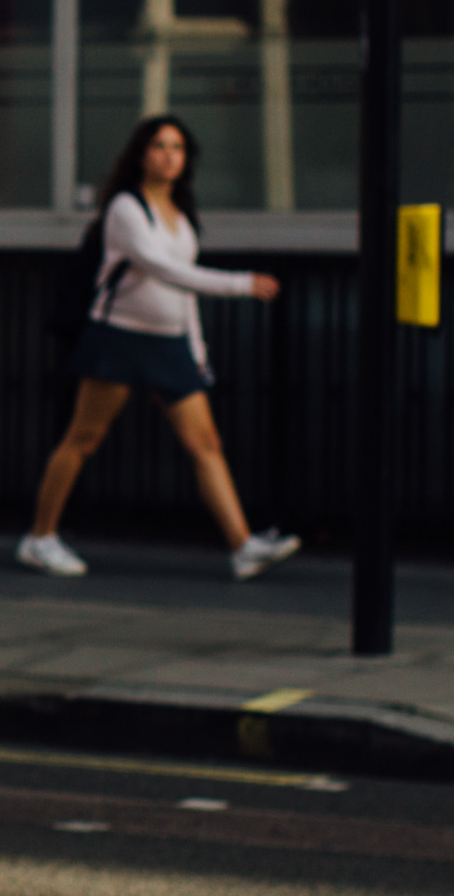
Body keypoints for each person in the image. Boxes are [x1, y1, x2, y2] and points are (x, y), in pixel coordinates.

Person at [18, 114, 301, 582]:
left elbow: (182, 293)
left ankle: (243, 546)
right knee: (83, 438)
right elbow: (160, 268)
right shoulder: (126, 209)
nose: (169, 155)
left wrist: (198, 350)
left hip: (169, 345)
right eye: (159, 146)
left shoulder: (181, 216)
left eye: (177, 148)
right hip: (120, 339)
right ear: (141, 155)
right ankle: (40, 538)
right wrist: (240, 284)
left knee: (206, 443)